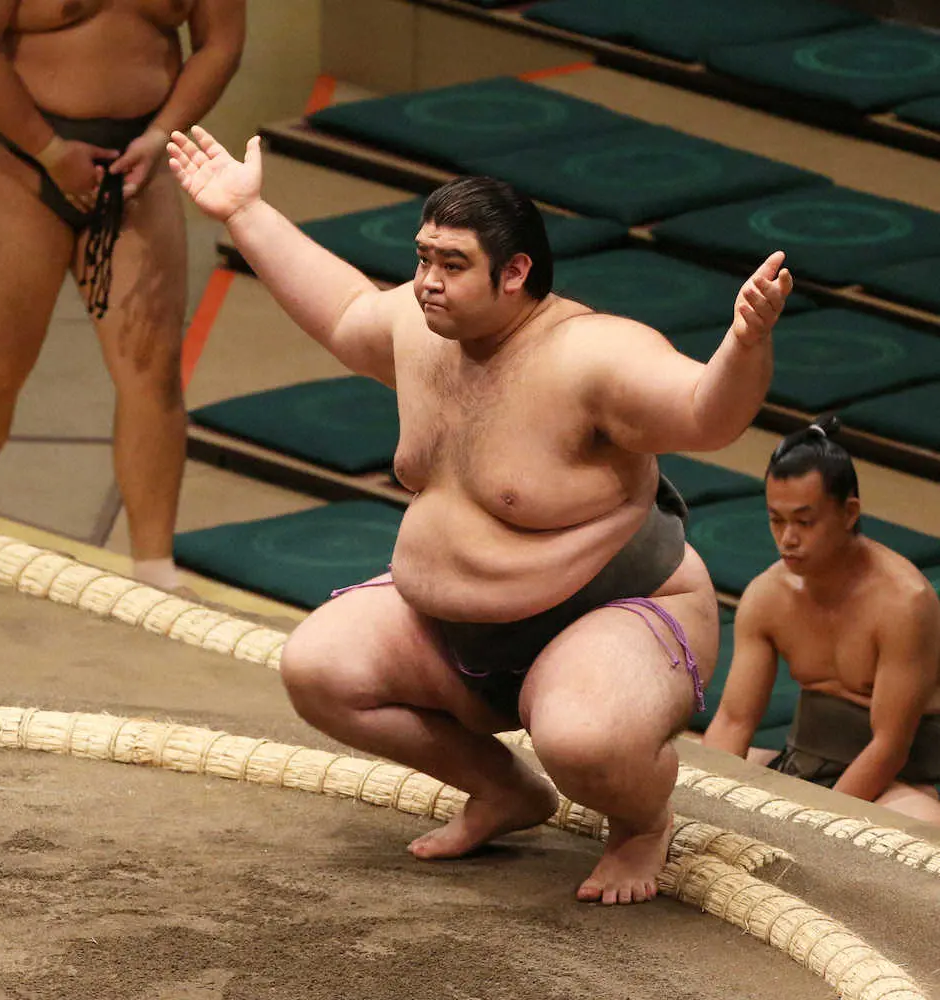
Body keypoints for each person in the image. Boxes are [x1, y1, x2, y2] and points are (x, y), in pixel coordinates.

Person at [168, 125, 794, 903]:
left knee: (582, 738)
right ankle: (505, 792)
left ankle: (641, 823)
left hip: (615, 613)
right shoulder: (418, 328)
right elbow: (343, 312)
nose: (427, 280)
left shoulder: (592, 355)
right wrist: (244, 211)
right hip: (458, 633)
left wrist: (744, 342)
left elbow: (707, 415)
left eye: (452, 264)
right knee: (319, 668)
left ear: (515, 272)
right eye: (424, 257)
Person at [0, 0, 245, 591]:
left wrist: (161, 136)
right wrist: (49, 151)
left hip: (139, 165)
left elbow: (220, 43)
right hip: (20, 165)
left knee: (152, 374)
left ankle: (154, 570)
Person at [704, 417, 940, 825]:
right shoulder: (767, 596)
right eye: (776, 520)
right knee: (671, 760)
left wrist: (813, 824)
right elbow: (733, 722)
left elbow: (889, 748)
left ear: (849, 513)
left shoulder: (905, 602)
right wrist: (705, 801)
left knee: (920, 831)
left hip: (894, 782)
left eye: (804, 521)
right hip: (801, 764)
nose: (787, 539)